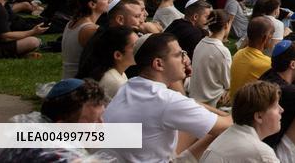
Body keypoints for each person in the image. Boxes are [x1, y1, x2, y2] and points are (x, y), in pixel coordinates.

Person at [104, 33, 231, 162]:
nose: (185, 59)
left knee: (201, 125)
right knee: (225, 131)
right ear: (158, 64)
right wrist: (235, 112)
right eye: (179, 54)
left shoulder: (129, 86)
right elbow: (225, 126)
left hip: (120, 156)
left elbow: (188, 105)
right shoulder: (166, 100)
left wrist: (222, 115)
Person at [201, 80, 282, 163]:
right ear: (259, 116)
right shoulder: (260, 153)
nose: (281, 110)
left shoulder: (228, 136)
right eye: (275, 107)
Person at [76, 26, 137, 101]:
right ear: (118, 55)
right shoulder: (116, 82)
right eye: (135, 46)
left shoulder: (115, 72)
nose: (140, 48)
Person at [61, 0, 109, 77]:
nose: (109, 1)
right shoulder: (90, 29)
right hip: (80, 83)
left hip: (68, 77)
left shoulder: (73, 22)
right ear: (92, 4)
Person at [191, 9, 233, 107]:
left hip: (195, 97)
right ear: (226, 25)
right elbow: (229, 84)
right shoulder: (222, 51)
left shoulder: (201, 43)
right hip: (212, 100)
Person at [229, 17, 274, 98]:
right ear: (265, 38)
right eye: (271, 36)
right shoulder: (268, 64)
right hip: (247, 108)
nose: (272, 39)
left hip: (235, 103)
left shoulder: (238, 53)